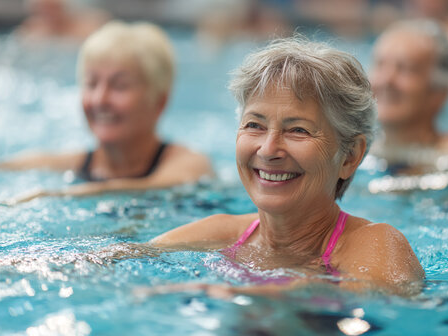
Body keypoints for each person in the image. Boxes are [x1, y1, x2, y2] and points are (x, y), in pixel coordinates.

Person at [144, 38, 424, 295]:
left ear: (350, 156)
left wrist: (230, 295)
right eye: (254, 125)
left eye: (298, 130)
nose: (268, 150)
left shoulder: (377, 244)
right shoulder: (222, 234)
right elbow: (114, 259)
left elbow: (372, 298)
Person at [0, 21, 213, 202]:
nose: (100, 99)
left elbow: (157, 187)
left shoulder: (190, 164)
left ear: (159, 101)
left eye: (120, 85)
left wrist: (53, 197)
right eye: (91, 83)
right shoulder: (70, 165)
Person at [369, 19, 448, 175]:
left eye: (404, 69)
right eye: (380, 65)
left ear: (439, 93)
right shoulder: (360, 147)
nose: (386, 80)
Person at [16, 0, 109, 44]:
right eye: (43, 7)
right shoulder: (30, 30)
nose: (48, 12)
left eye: (53, 7)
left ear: (65, 5)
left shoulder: (89, 28)